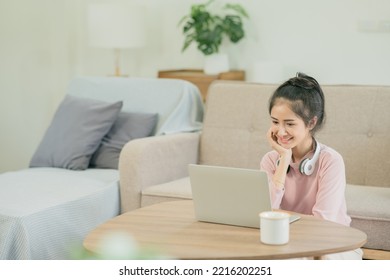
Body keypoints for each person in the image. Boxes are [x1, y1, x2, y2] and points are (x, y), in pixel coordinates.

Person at [260, 72, 362, 260]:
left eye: (289, 123)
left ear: (311, 122)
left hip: (331, 242)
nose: (280, 132)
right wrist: (283, 160)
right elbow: (264, 214)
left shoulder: (330, 161)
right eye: (275, 122)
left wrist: (281, 220)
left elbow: (323, 223)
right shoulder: (270, 160)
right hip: (286, 240)